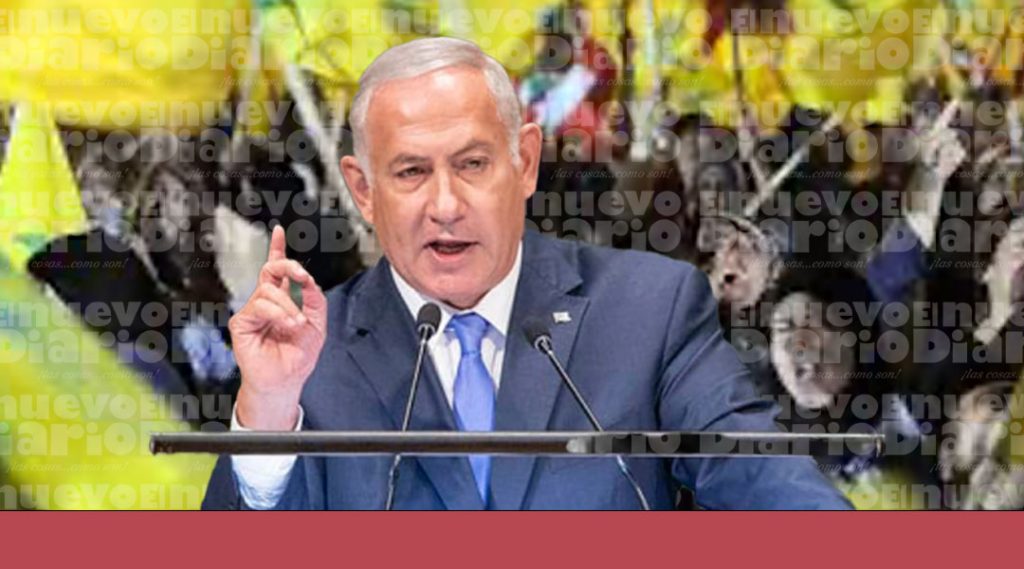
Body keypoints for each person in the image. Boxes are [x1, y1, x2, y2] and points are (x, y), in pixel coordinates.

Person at [202, 37, 852, 510]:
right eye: (411, 172)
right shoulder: (310, 359)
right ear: (364, 189)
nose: (446, 205)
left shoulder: (653, 311)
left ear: (525, 162)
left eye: (473, 164)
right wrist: (268, 410)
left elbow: (760, 476)